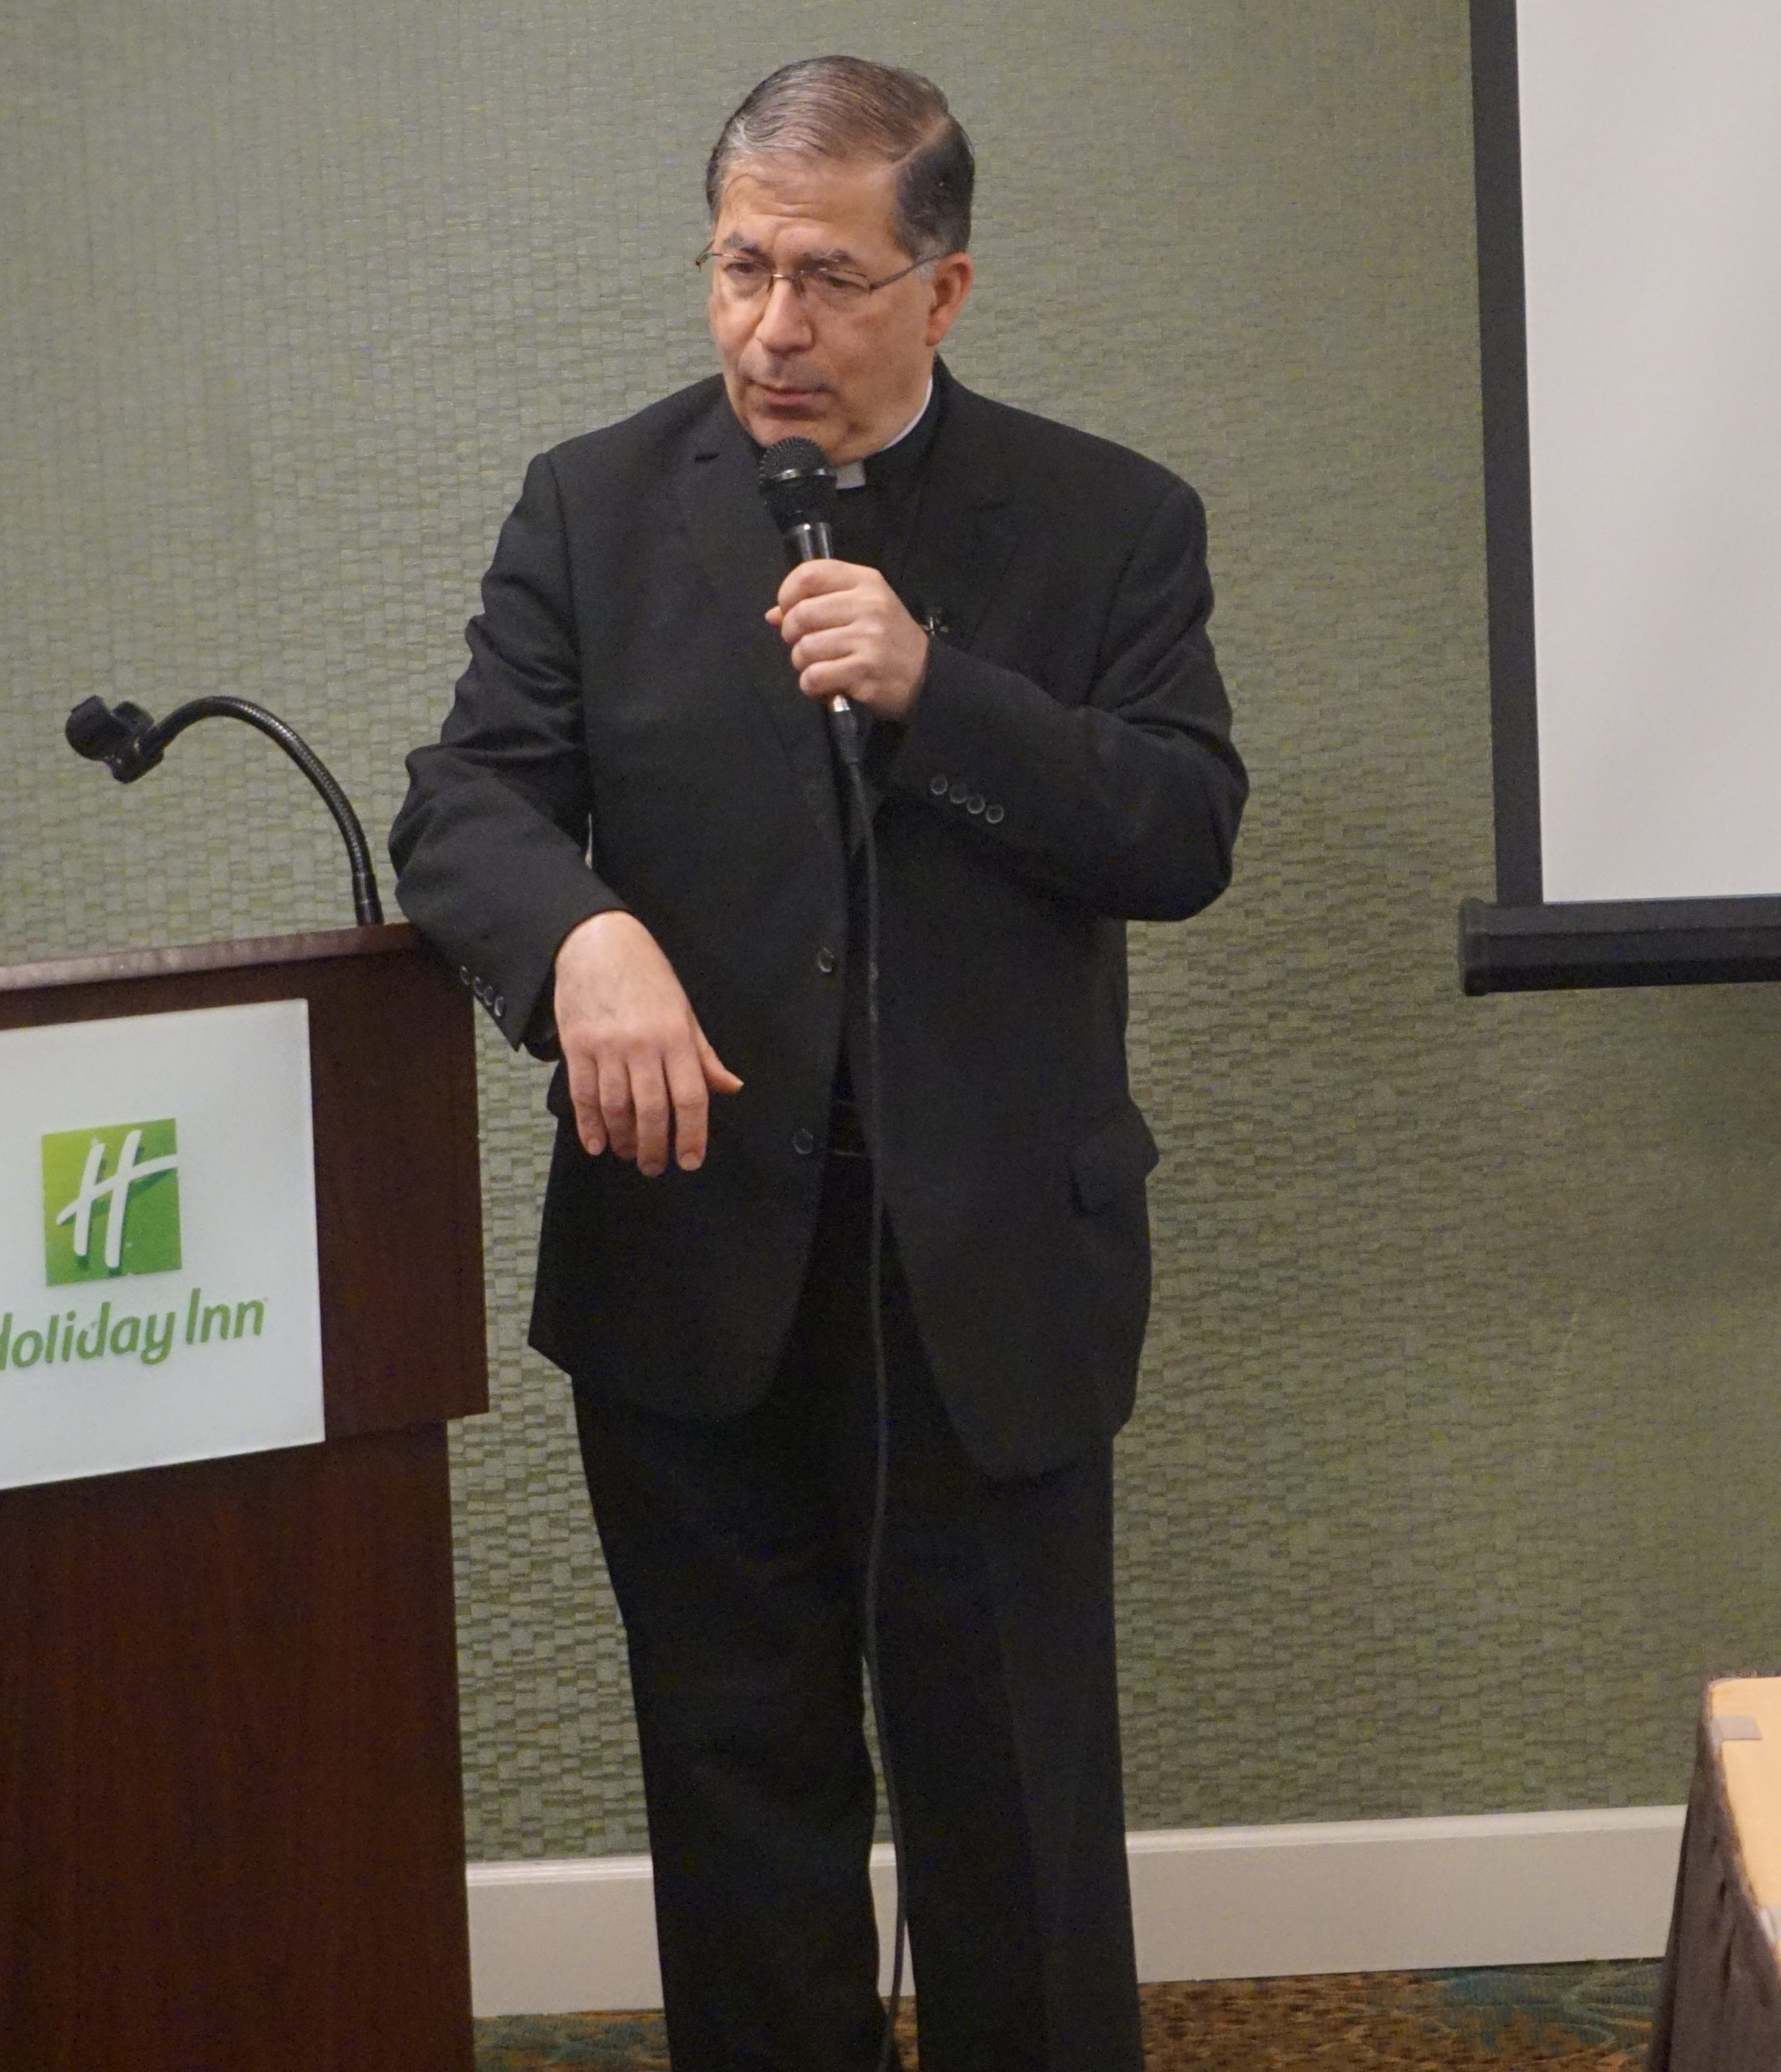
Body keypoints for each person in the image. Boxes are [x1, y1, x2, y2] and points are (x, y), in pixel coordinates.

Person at [391, 54, 1247, 2072]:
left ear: (942, 291)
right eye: (739, 267)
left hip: (984, 1279)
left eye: (831, 279)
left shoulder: (1109, 518)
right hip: (694, 1260)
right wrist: (580, 938)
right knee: (736, 1800)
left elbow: (1181, 826)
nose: (774, 326)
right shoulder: (593, 507)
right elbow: (468, 802)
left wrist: (941, 689)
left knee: (1015, 1810)